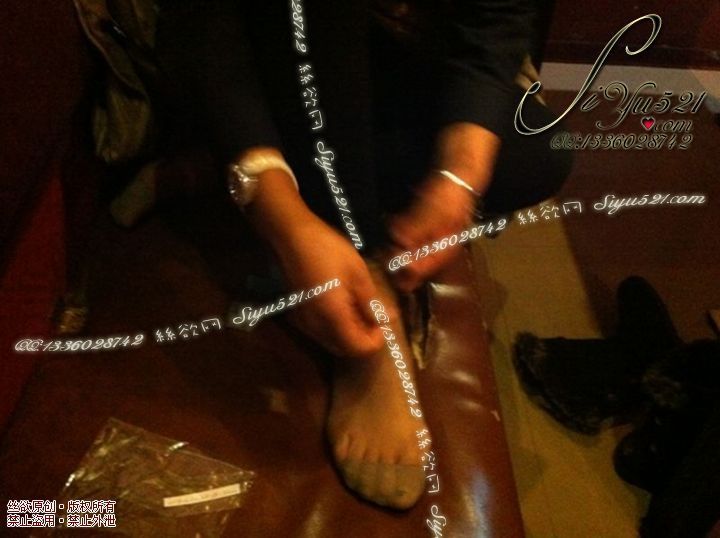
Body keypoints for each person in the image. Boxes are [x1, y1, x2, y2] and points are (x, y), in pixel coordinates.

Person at [138, 0, 572, 509]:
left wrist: (457, 179)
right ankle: (368, 292)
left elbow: (498, 17)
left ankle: (234, 163)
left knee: (538, 154)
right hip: (262, 49)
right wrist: (281, 215)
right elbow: (204, 25)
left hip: (371, 61)